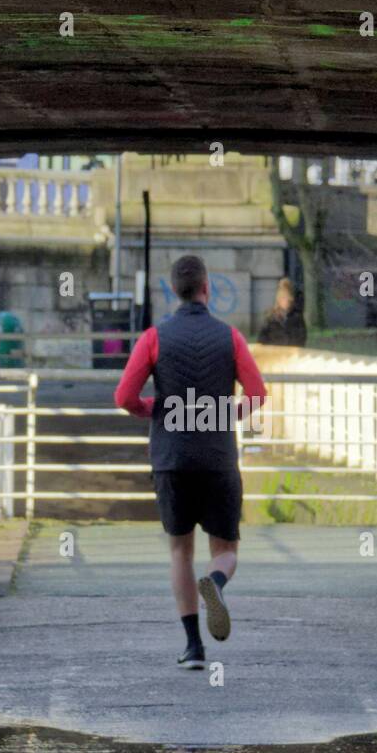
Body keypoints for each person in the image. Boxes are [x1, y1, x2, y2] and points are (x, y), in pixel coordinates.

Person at [114, 255, 268, 669]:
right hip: (218, 458)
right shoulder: (230, 337)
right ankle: (215, 582)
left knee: (180, 551)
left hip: (172, 458)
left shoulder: (154, 337)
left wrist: (155, 410)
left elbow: (124, 397)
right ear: (207, 289)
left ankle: (193, 648)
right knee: (226, 549)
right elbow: (256, 394)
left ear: (173, 292)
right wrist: (226, 416)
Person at [256, 277, 307, 346]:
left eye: (287, 297)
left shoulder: (297, 317)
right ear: (278, 299)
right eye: (282, 297)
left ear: (291, 299)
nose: (285, 300)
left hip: (292, 354)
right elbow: (261, 340)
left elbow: (302, 338)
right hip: (274, 354)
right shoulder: (270, 317)